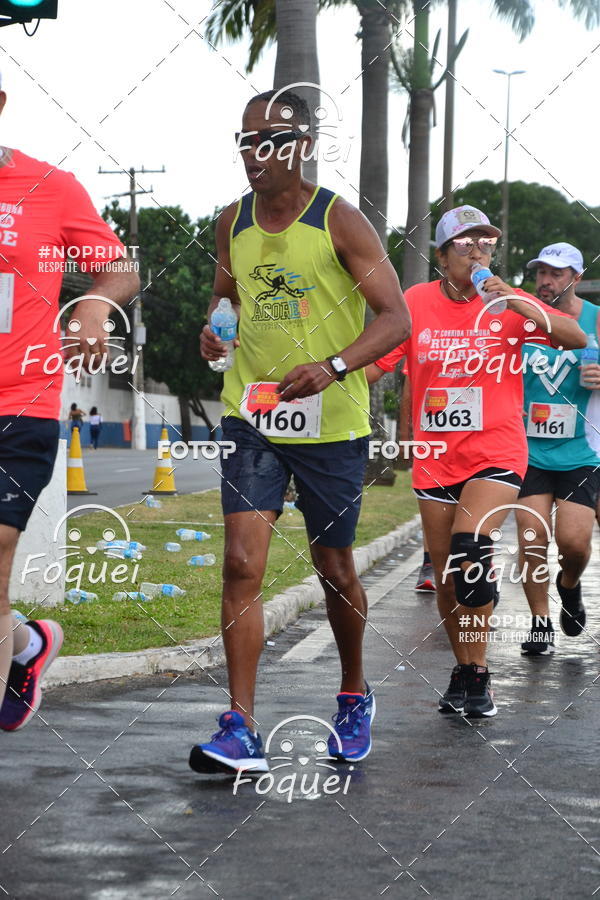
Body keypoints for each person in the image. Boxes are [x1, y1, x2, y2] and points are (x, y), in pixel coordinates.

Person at [191, 88, 411, 774]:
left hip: (330, 423)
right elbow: (226, 297)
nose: (255, 153)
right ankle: (240, 727)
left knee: (334, 567)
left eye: (269, 141)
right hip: (253, 413)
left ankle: (351, 694)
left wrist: (335, 365)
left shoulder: (340, 221)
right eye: (246, 140)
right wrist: (213, 332)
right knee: (240, 562)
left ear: (303, 147)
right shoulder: (232, 221)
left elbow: (396, 317)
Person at [367, 207, 585, 718]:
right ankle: (463, 670)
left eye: (485, 244)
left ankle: (482, 671)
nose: (478, 252)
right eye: (465, 244)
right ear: (442, 257)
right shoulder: (415, 303)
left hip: (498, 451)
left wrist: (519, 303)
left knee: (471, 551)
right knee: (446, 575)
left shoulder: (509, 302)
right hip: (436, 457)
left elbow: (575, 339)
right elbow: (376, 365)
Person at [0, 75, 140, 731]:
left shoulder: (47, 187)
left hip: (20, 404)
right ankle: (28, 646)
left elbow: (119, 267)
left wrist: (92, 304)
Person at [516, 243, 600, 655]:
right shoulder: (521, 315)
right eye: (541, 273)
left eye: (556, 274)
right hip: (526, 447)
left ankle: (568, 585)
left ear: (576, 278)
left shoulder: (596, 320)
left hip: (580, 450)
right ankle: (538, 623)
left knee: (575, 543)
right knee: (532, 538)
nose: (546, 281)